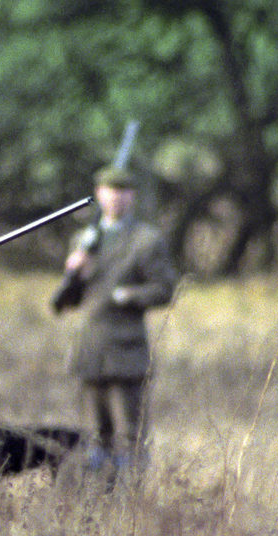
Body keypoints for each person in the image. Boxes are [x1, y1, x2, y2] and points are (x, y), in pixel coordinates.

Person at [51, 166, 177, 483]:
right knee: (92, 436)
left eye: (122, 191)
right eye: (109, 191)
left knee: (130, 436)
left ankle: (130, 503)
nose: (115, 198)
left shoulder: (146, 240)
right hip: (90, 350)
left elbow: (164, 290)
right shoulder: (84, 240)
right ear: (98, 194)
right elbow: (68, 301)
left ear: (131, 196)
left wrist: (128, 295)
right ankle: (96, 499)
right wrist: (75, 271)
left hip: (126, 351)